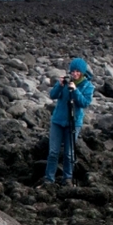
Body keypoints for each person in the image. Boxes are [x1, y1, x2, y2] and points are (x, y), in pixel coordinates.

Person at [41, 57, 94, 187]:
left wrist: (75, 90)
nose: (74, 74)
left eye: (77, 71)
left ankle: (68, 179)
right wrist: (59, 86)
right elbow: (53, 95)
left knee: (69, 153)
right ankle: (49, 179)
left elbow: (84, 103)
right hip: (58, 121)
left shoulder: (88, 86)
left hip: (73, 122)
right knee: (53, 152)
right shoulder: (65, 82)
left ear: (82, 72)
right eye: (72, 71)